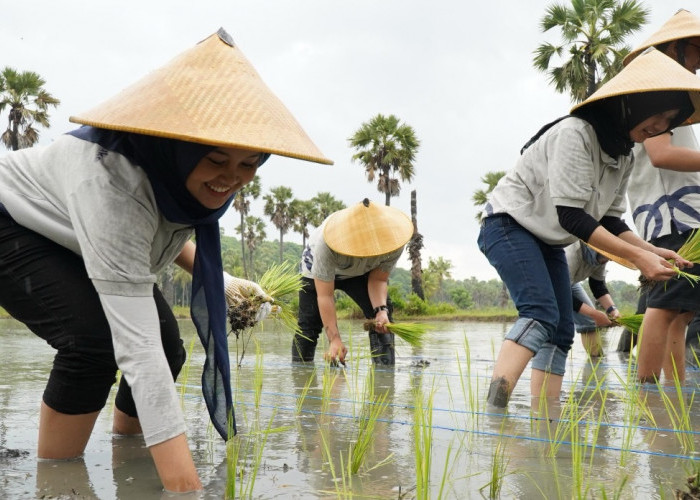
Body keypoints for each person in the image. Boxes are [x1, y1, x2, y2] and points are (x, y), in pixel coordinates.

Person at [0, 28, 332, 493]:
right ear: (180, 147)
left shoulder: (173, 174)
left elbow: (149, 235)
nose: (231, 179)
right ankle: (58, 480)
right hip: (11, 223)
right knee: (92, 343)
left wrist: (227, 280)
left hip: (74, 233)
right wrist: (188, 490)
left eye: (248, 165)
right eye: (216, 160)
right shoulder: (109, 179)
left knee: (170, 344)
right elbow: (139, 354)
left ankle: (128, 458)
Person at [477, 47, 700, 408]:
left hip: (547, 240)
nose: (660, 128)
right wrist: (637, 261)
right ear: (633, 105)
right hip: (508, 225)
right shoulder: (576, 132)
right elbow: (574, 217)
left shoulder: (623, 153)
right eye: (657, 116)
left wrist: (652, 250)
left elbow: (611, 219)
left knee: (563, 329)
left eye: (668, 122)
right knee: (539, 312)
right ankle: (495, 409)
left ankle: (545, 417)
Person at [624, 9, 700, 384]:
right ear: (675, 48)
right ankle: (649, 395)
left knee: (682, 311)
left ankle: (675, 395)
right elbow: (661, 154)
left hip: (682, 216)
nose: (698, 65)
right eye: (695, 54)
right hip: (673, 217)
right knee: (664, 306)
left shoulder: (672, 96)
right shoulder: (657, 92)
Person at [291, 198, 413, 366]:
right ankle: (300, 373)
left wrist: (381, 310)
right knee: (308, 325)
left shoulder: (394, 243)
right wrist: (334, 339)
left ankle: (384, 373)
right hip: (315, 272)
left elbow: (378, 279)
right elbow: (325, 296)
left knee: (383, 319)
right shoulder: (325, 245)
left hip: (359, 273)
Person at [565, 241, 620, 357]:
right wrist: (594, 314)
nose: (610, 260)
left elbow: (597, 285)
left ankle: (596, 362)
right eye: (608, 257)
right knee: (549, 322)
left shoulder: (602, 256)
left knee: (588, 320)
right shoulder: (571, 253)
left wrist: (613, 310)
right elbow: (562, 293)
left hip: (568, 282)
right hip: (547, 281)